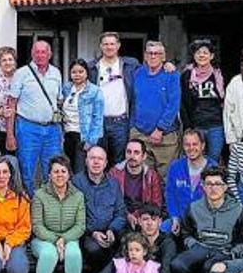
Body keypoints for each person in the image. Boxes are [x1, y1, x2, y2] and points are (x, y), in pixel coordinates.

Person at [31, 155, 87, 273]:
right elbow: (37, 226)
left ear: (69, 174)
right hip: (43, 239)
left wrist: (64, 239)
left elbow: (80, 225)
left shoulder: (78, 196)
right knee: (49, 254)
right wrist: (56, 240)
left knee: (74, 253)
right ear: (49, 174)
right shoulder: (39, 195)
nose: (59, 175)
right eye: (55, 171)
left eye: (63, 171)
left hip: (69, 238)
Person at [7, 40, 64, 188]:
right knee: (27, 171)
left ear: (49, 54)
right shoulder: (21, 73)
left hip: (52, 130)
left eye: (43, 52)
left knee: (53, 170)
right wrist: (10, 134)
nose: (40, 55)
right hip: (28, 128)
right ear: (32, 54)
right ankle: (30, 207)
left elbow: (59, 101)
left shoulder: (56, 73)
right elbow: (11, 104)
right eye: (37, 52)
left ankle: (49, 206)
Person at [72, 146, 128, 273]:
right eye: (92, 158)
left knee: (127, 242)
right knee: (94, 249)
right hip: (87, 233)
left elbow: (121, 212)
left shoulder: (114, 184)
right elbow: (73, 216)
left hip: (111, 231)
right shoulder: (76, 183)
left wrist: (112, 229)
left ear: (106, 163)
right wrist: (93, 232)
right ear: (86, 161)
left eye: (100, 159)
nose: (96, 162)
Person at [87, 31, 139, 163]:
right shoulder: (91, 67)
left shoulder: (130, 65)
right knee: (98, 159)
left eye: (112, 44)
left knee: (119, 161)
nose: (109, 47)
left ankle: (117, 184)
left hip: (120, 122)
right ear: (100, 46)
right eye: (105, 44)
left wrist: (166, 63)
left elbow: (151, 68)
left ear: (118, 45)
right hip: (98, 122)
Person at [131, 41, 182, 176]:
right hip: (140, 134)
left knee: (166, 178)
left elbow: (173, 105)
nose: (153, 56)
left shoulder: (172, 75)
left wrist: (160, 129)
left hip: (165, 136)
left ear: (163, 57)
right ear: (145, 56)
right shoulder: (137, 74)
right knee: (143, 178)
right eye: (150, 53)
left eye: (157, 53)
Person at [181, 39, 227, 163]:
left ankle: (212, 182)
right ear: (194, 56)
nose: (202, 55)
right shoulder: (187, 75)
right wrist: (188, 127)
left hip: (216, 125)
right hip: (196, 126)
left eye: (205, 53)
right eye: (198, 52)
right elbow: (183, 103)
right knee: (195, 159)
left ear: (211, 56)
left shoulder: (220, 75)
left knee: (214, 160)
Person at [109, 138, 165, 230]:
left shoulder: (151, 175)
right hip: (120, 216)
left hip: (143, 217)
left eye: (136, 152)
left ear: (144, 156)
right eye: (129, 152)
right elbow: (110, 202)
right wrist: (127, 215)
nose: (132, 156)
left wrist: (136, 215)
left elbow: (156, 204)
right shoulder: (114, 173)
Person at [61, 58, 104, 173]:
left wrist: (91, 142)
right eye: (74, 72)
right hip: (67, 135)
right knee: (69, 170)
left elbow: (98, 118)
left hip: (83, 137)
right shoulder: (66, 88)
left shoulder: (95, 91)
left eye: (81, 72)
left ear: (86, 73)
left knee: (80, 171)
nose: (77, 75)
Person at [165, 129, 208, 234]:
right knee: (162, 228)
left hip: (204, 221)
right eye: (187, 145)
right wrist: (175, 218)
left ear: (202, 146)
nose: (191, 148)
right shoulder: (175, 166)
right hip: (180, 219)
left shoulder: (212, 169)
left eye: (195, 144)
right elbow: (170, 195)